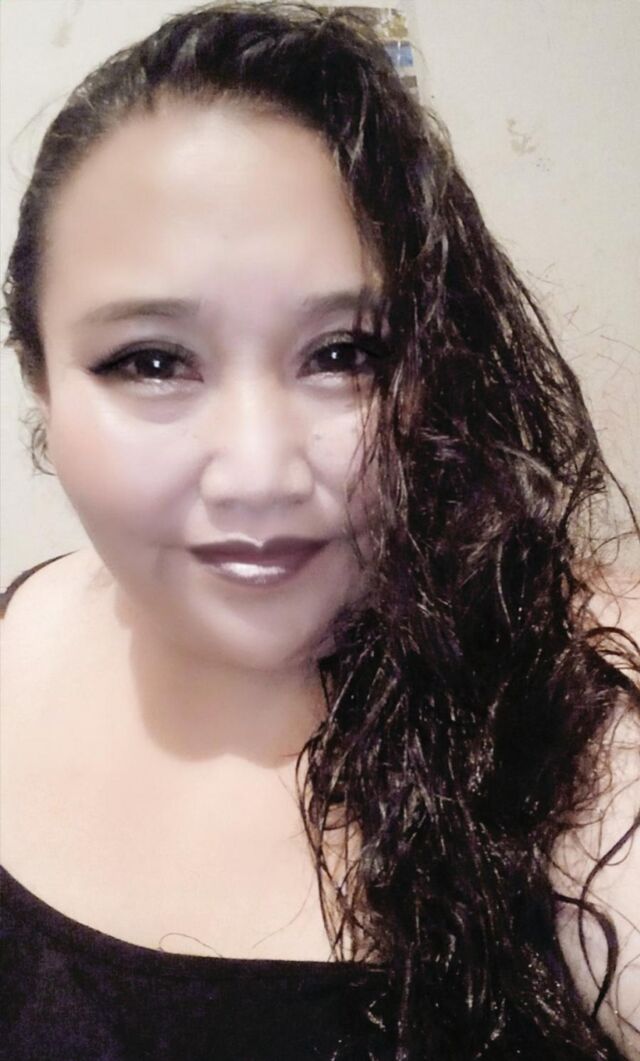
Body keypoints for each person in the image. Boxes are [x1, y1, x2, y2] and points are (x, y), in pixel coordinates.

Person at [1, 2, 638, 1059]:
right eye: (152, 361)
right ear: (39, 376)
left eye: (344, 354)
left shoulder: (567, 693)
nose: (259, 476)